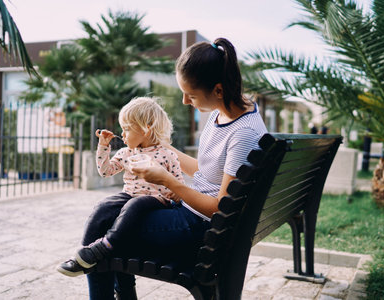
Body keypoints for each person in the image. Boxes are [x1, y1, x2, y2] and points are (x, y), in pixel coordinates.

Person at [75, 37, 268, 300]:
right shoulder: (222, 113)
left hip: (202, 228)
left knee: (106, 225)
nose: (185, 101)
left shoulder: (242, 132)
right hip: (198, 218)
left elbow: (220, 207)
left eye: (191, 94)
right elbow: (208, 171)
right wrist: (161, 147)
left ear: (219, 90)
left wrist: (168, 180)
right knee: (107, 211)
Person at [56, 97, 184, 280]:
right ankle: (84, 255)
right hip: (128, 195)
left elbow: (178, 183)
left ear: (146, 128)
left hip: (156, 200)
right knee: (103, 206)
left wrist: (176, 193)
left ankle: (106, 245)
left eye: (127, 129)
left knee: (136, 205)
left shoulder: (167, 155)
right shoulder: (126, 153)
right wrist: (103, 147)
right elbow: (105, 171)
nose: (122, 135)